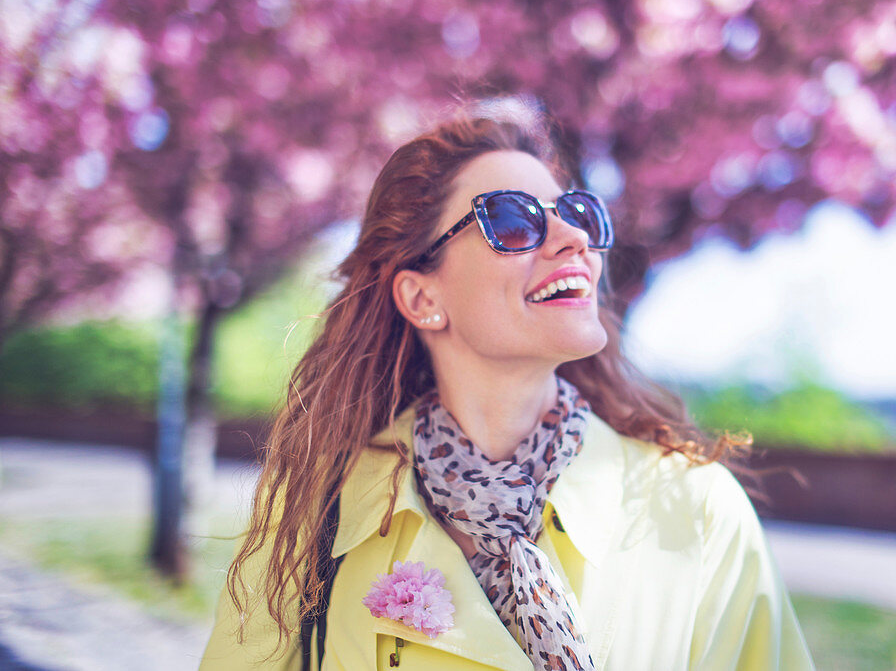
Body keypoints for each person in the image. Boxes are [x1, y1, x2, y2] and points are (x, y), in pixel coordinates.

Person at [199, 111, 814, 671]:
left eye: (577, 215)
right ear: (422, 297)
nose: (572, 239)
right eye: (513, 219)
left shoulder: (696, 509)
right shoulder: (325, 509)